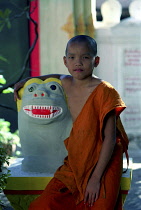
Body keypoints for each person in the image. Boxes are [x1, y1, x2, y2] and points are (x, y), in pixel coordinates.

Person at [14, 35, 129, 209]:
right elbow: (55, 76)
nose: (78, 62)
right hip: (78, 156)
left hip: (105, 159)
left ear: (96, 61)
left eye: (85, 57)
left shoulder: (106, 91)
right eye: (72, 57)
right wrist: (25, 82)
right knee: (45, 204)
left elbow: (110, 139)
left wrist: (96, 179)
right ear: (65, 61)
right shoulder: (66, 83)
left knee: (101, 204)